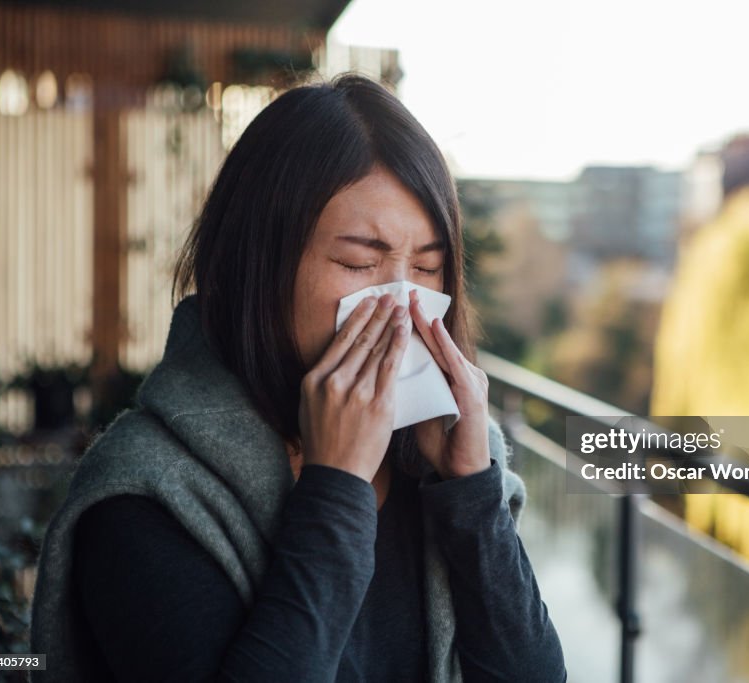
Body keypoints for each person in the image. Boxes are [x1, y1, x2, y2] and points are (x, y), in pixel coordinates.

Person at [28, 74, 566, 682]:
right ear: (259, 263)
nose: (402, 305)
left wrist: (473, 494)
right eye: (359, 263)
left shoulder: (448, 456)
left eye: (427, 267)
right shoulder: (147, 495)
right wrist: (335, 487)